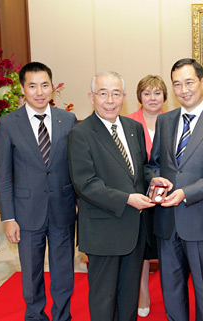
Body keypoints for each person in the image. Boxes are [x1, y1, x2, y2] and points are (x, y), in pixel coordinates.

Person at [146, 58, 203, 321]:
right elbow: (154, 165)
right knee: (171, 289)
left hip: (200, 219)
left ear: (202, 82)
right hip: (166, 221)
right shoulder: (165, 121)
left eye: (189, 82)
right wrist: (155, 180)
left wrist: (185, 193)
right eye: (177, 84)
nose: (183, 89)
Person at [68, 71, 161, 321]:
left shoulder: (133, 128)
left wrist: (154, 181)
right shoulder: (81, 134)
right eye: (103, 93)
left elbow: (140, 170)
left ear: (124, 97)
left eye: (116, 93)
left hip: (134, 230)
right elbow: (85, 184)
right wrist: (127, 199)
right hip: (103, 231)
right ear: (92, 97)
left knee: (128, 298)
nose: (110, 99)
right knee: (103, 300)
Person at [0, 62, 77, 321]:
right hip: (26, 212)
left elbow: (76, 168)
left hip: (62, 209)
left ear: (52, 88)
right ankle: (35, 317)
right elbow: (4, 176)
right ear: (23, 89)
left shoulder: (68, 120)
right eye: (32, 86)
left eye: (44, 85)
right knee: (31, 275)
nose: (39, 92)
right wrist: (8, 218)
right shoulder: (8, 123)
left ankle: (63, 316)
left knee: (63, 272)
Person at [125, 74, 167, 318]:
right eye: (147, 93)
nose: (152, 98)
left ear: (164, 96)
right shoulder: (129, 123)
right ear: (139, 96)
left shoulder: (173, 121)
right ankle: (142, 293)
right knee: (140, 250)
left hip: (169, 196)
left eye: (157, 93)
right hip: (139, 198)